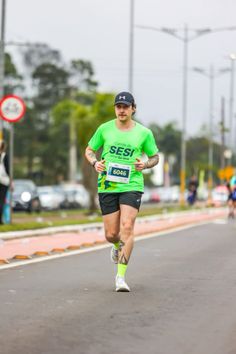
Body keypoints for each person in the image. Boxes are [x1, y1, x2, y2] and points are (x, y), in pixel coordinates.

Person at [85, 92, 159, 292]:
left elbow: (155, 157)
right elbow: (89, 150)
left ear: (133, 108)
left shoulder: (144, 133)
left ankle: (120, 277)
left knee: (127, 226)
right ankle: (116, 245)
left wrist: (144, 165)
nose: (122, 110)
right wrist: (95, 163)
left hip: (132, 185)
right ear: (115, 109)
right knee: (111, 234)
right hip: (107, 185)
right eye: (119, 106)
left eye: (126, 107)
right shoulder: (104, 129)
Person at [0, 140, 10, 224]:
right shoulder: (5, 156)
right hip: (4, 180)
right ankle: (1, 220)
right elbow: (8, 170)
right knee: (2, 200)